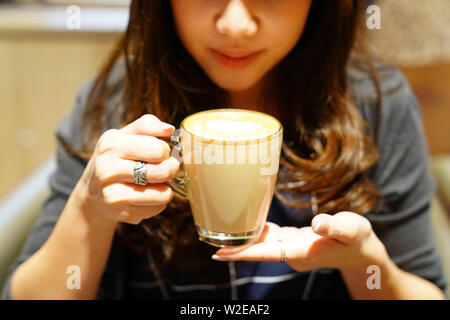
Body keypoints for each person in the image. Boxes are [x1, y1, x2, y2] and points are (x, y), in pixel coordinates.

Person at [2, 0, 447, 300]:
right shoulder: (117, 102)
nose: (235, 24)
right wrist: (89, 208)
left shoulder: (376, 105)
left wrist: (367, 266)